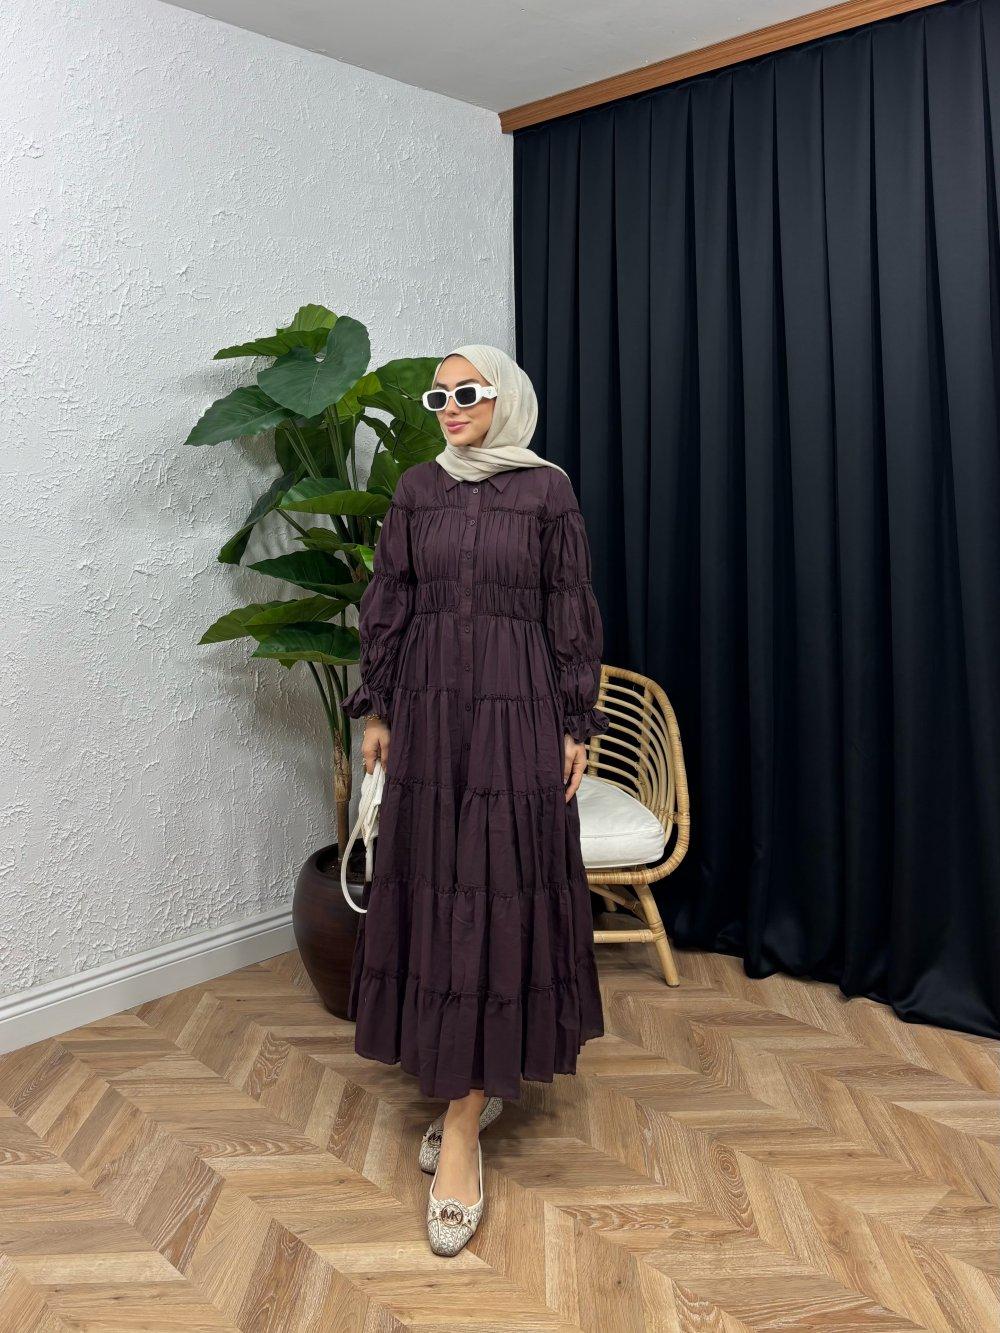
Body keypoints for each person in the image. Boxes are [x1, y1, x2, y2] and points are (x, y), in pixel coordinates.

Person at [341, 343, 610, 1255]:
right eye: (439, 395)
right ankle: (469, 1080)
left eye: (467, 391)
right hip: (427, 712)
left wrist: (574, 721)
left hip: (516, 712)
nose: (449, 405)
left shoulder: (548, 492)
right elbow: (390, 596)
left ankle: (461, 1124)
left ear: (507, 398)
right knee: (439, 887)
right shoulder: (418, 488)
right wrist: (378, 707)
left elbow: (570, 607)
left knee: (498, 889)